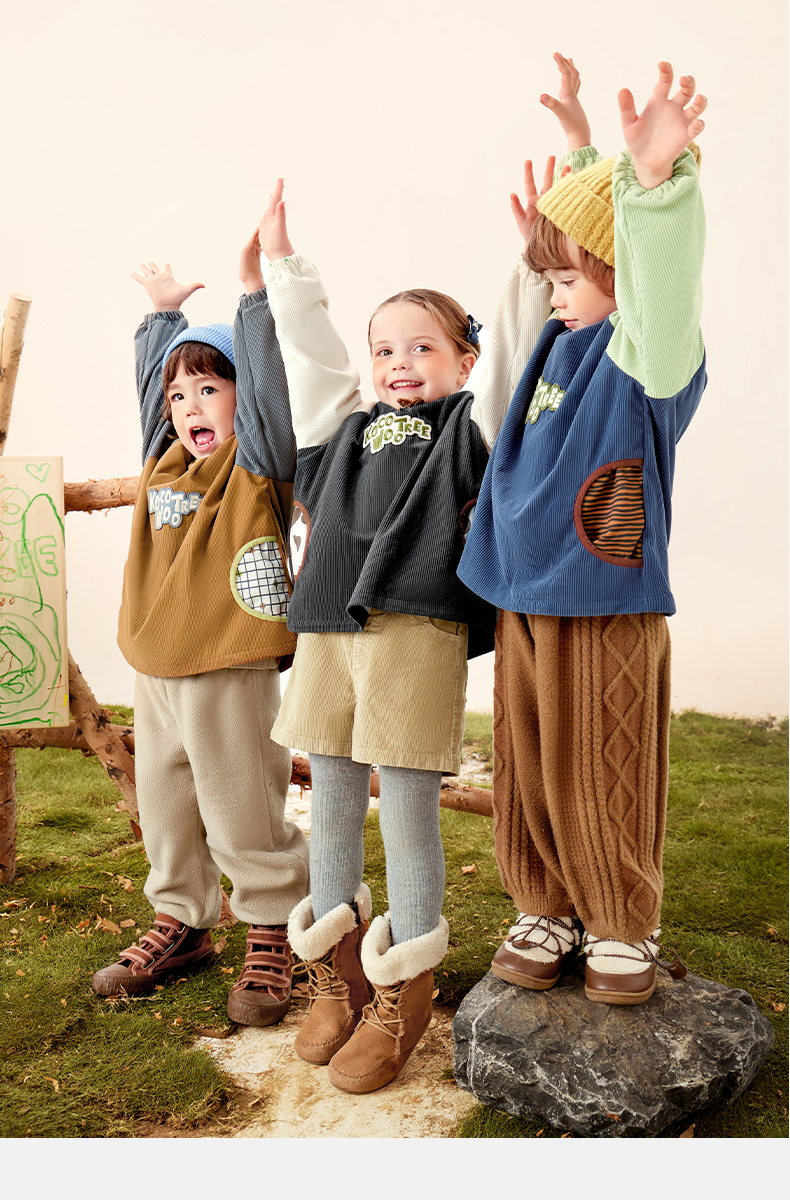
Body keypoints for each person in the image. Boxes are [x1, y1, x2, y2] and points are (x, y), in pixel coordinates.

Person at [255, 181, 549, 1091]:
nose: (398, 362)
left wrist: (534, 264)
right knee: (333, 803)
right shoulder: (339, 432)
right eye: (385, 348)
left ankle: (404, 991)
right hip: (327, 631)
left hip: (416, 633)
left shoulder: (469, 427)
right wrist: (284, 268)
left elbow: (514, 357)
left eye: (422, 346)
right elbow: (312, 357)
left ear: (464, 360)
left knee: (410, 814)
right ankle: (337, 978)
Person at [457, 55, 707, 1005]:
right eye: (550, 277)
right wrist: (578, 154)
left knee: (603, 761)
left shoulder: (647, 360)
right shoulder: (556, 346)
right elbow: (535, 311)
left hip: (604, 593)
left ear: (618, 271)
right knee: (527, 759)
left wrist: (653, 187)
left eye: (570, 275)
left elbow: (660, 291)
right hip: (522, 586)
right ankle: (547, 903)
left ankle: (619, 918)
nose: (554, 292)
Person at [90, 235, 310, 1027]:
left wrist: (254, 299)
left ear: (243, 398)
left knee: (242, 805)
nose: (188, 407)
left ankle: (271, 924)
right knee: (168, 806)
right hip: (157, 665)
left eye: (209, 388)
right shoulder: (163, 462)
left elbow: (272, 391)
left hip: (230, 661)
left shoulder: (257, 463)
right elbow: (152, 388)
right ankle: (183, 921)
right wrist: (163, 317)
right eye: (178, 396)